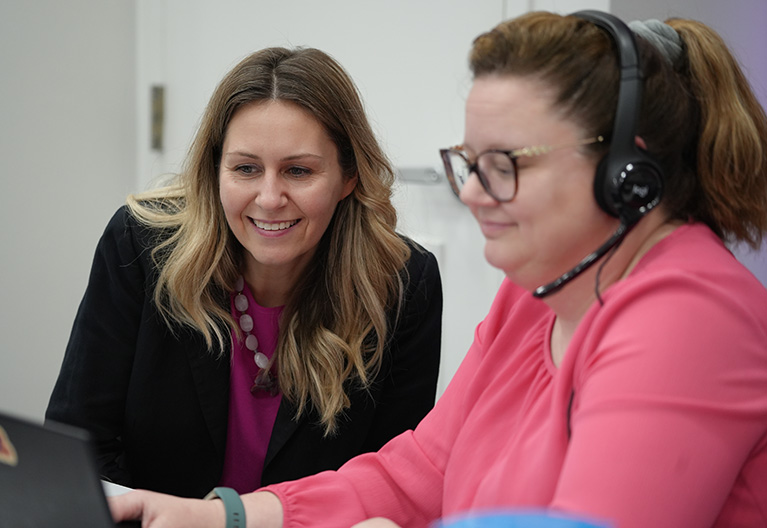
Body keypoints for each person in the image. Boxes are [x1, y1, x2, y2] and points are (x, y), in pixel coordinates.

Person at [110, 9, 767, 528]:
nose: (474, 193)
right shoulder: (536, 292)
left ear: (627, 173)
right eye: (469, 163)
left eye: (507, 164)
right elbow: (421, 468)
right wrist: (220, 515)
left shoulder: (690, 319)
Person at [46, 46, 443, 499]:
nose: (269, 197)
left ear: (348, 177)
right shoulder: (140, 246)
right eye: (246, 168)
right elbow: (79, 445)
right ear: (216, 171)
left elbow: (391, 482)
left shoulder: (403, 284)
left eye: (298, 170)